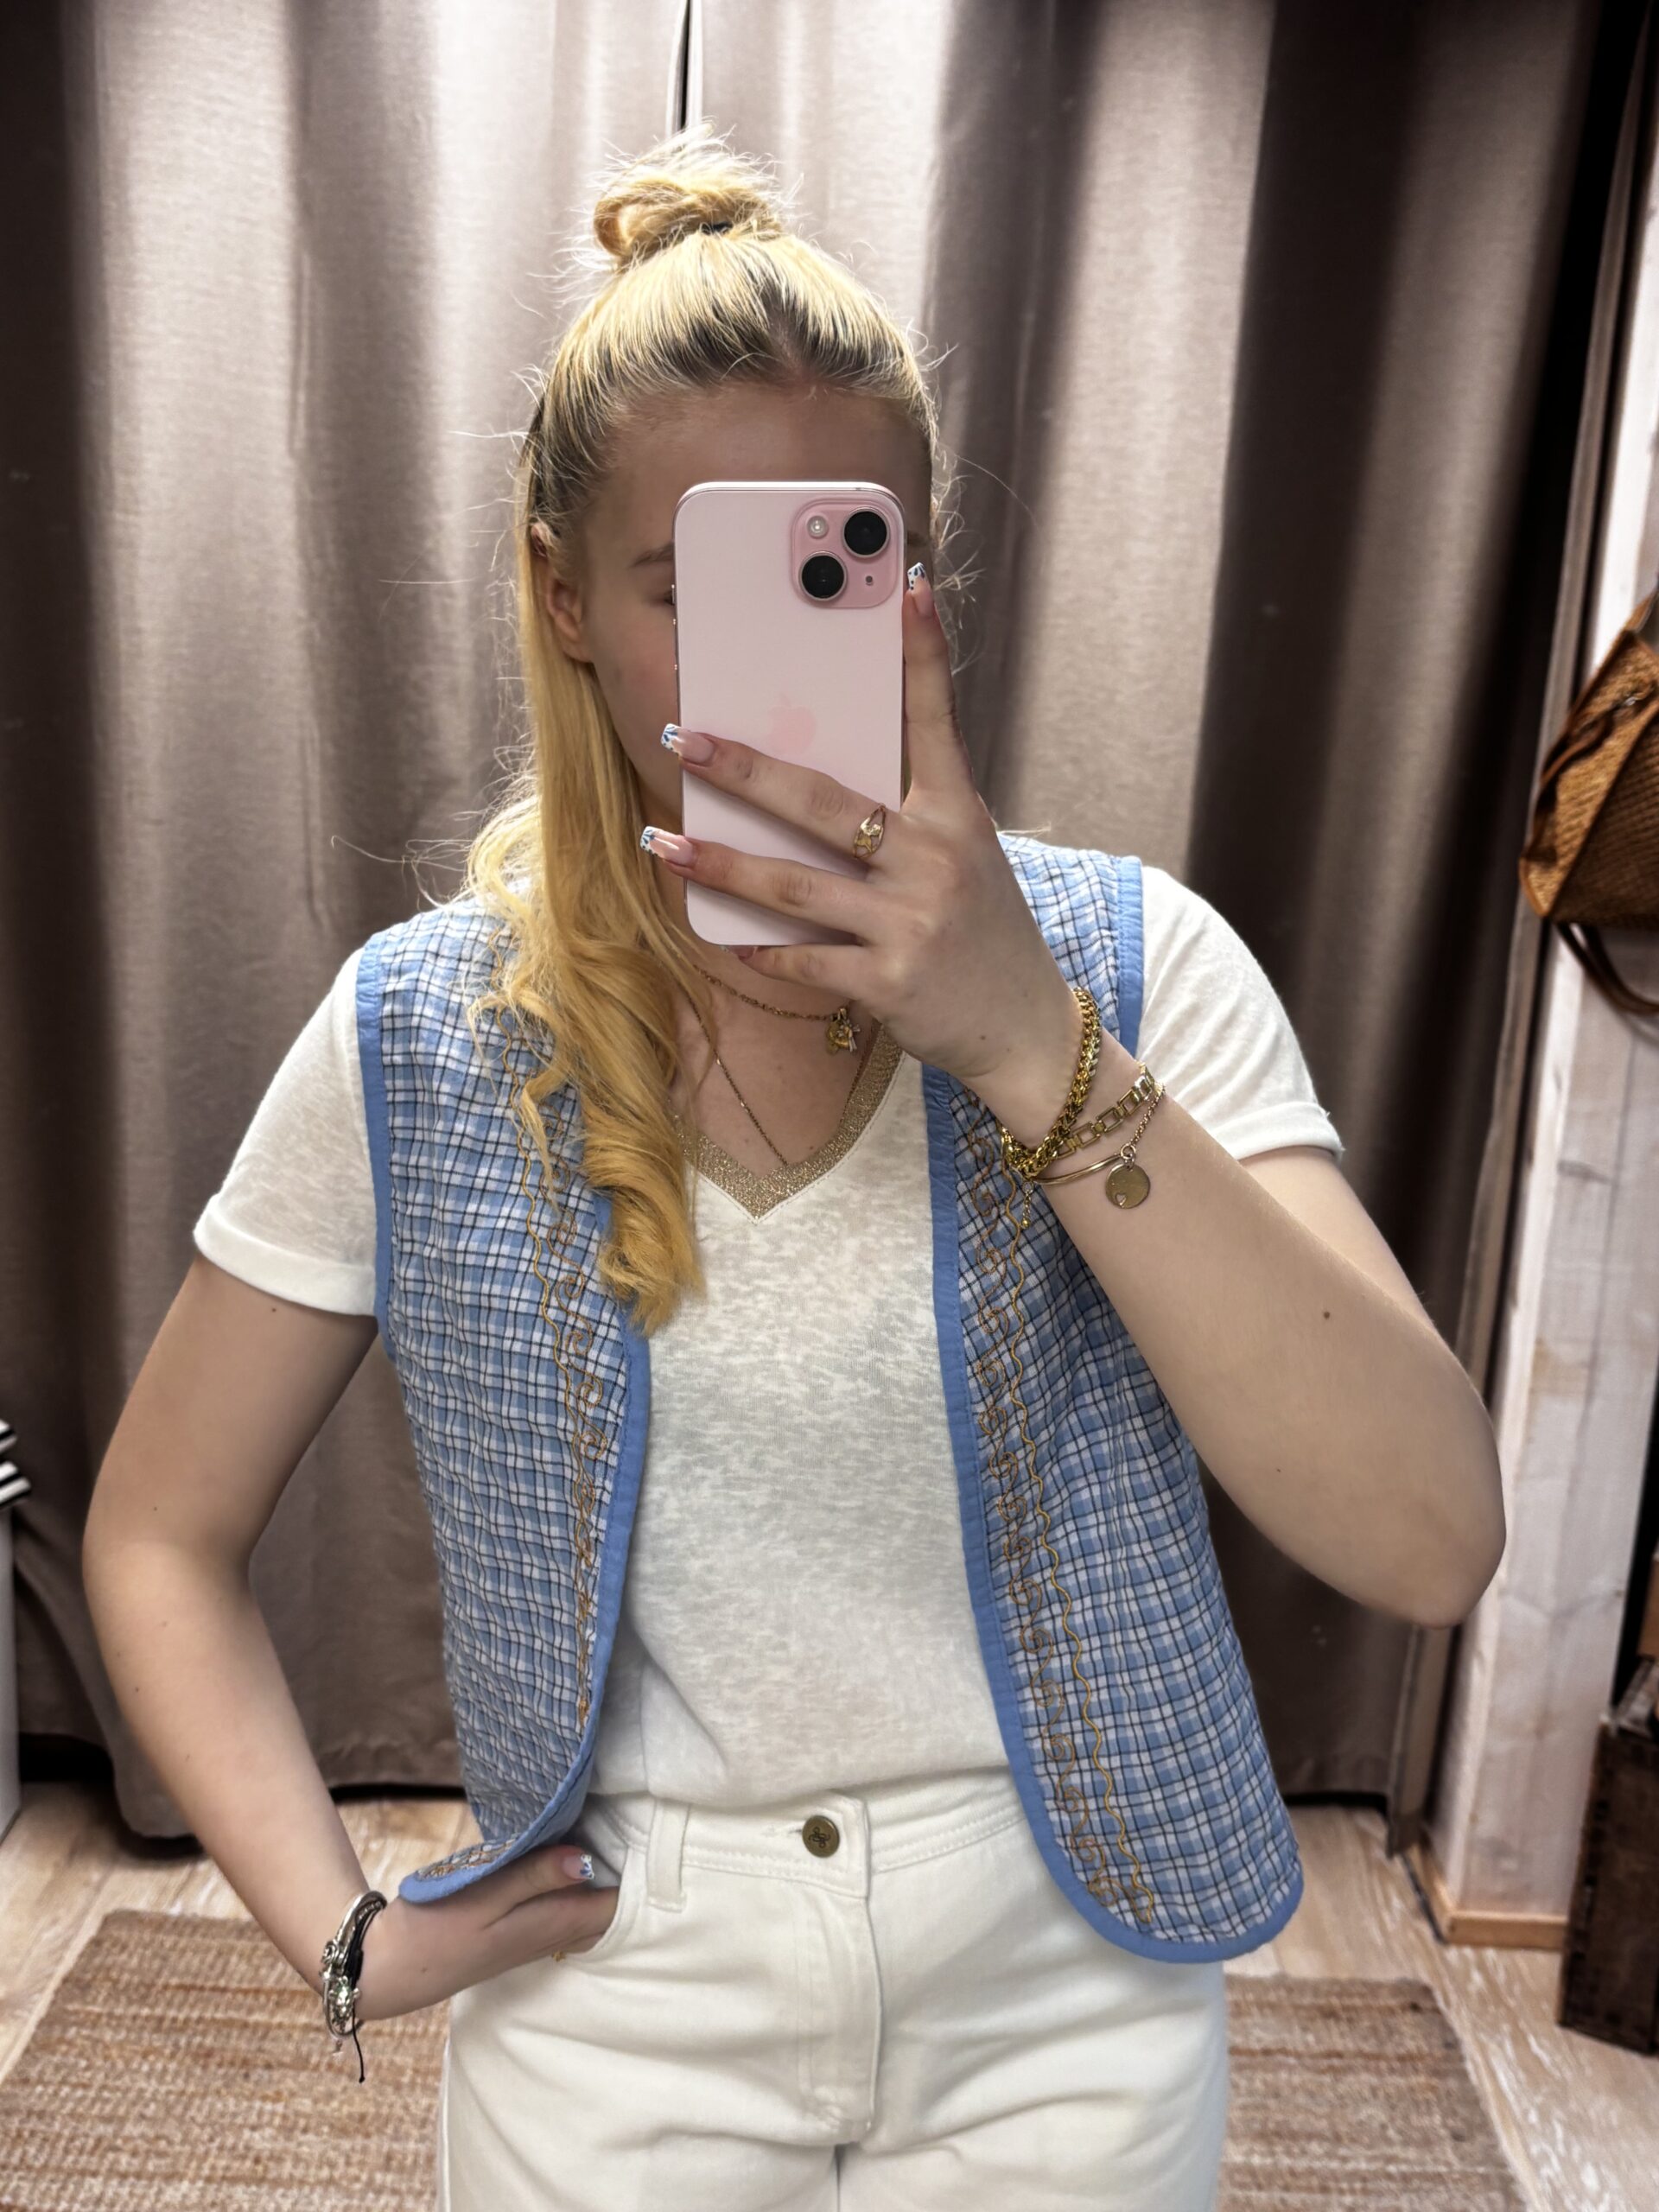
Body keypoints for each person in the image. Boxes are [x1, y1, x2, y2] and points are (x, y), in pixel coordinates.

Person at [84, 122, 1504, 2212]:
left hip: (1067, 1978)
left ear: (921, 585)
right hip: (618, 1978)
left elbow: (1429, 1533)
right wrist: (343, 1937)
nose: (777, 649)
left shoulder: (1133, 968)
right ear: (565, 599)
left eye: (843, 567)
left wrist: (1025, 1038)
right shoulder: (423, 1034)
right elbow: (157, 1533)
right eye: (690, 587)